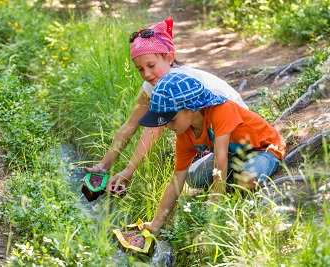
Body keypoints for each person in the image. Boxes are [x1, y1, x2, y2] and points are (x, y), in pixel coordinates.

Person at [85, 17, 249, 193]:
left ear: (169, 57)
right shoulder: (151, 86)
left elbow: (153, 131)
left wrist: (129, 170)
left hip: (239, 132)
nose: (146, 74)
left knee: (205, 168)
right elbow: (130, 126)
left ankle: (228, 177)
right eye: (140, 69)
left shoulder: (175, 86)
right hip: (214, 138)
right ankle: (226, 171)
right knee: (193, 177)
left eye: (151, 65)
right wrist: (103, 166)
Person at [137, 72, 286, 234]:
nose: (167, 126)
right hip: (232, 155)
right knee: (192, 176)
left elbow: (219, 157)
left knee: (245, 180)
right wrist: (155, 224)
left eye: (171, 120)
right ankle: (231, 180)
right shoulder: (184, 134)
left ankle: (232, 184)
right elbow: (176, 179)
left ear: (192, 107)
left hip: (264, 149)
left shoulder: (221, 110)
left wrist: (215, 204)